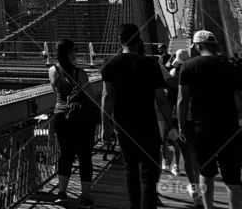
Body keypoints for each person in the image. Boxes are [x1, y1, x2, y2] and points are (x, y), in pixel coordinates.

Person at [102, 23, 172, 209]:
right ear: (139, 39)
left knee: (130, 169)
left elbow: (107, 97)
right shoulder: (150, 64)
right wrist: (171, 125)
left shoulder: (110, 65)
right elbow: (162, 99)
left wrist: (105, 126)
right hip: (148, 124)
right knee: (149, 173)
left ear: (120, 40)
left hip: (123, 125)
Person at [177, 30, 242, 209]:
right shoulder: (231, 66)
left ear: (198, 46)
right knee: (233, 177)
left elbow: (182, 100)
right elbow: (239, 97)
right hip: (229, 127)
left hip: (202, 128)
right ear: (214, 45)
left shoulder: (188, 66)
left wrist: (182, 126)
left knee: (206, 172)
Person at [49, 38, 98, 207]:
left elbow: (56, 90)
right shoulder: (80, 73)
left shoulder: (52, 71)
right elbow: (90, 95)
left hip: (60, 116)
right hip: (81, 118)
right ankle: (85, 196)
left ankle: (62, 193)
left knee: (66, 155)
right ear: (70, 53)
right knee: (85, 156)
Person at [169, 48, 202, 206]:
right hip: (196, 117)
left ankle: (195, 190)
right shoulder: (196, 72)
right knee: (196, 156)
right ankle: (199, 188)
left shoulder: (172, 76)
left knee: (186, 156)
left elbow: (171, 100)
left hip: (179, 118)